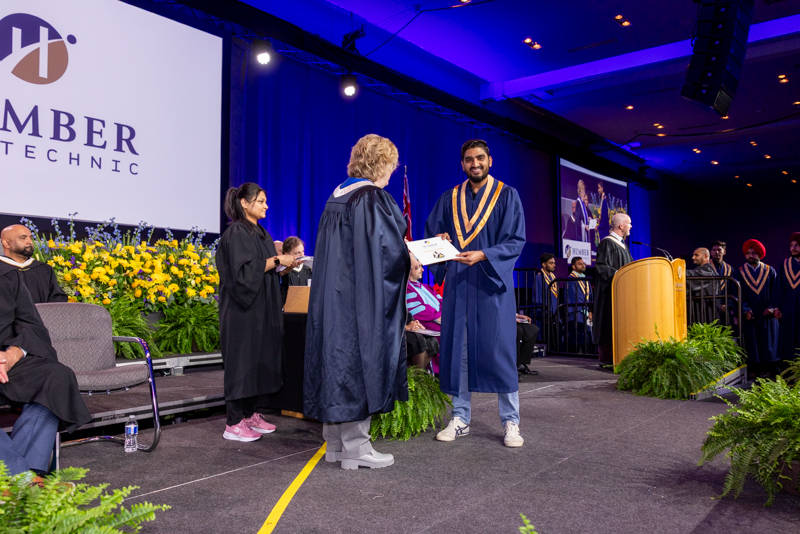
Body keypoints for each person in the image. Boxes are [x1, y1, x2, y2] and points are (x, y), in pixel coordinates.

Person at [304, 134, 409, 470]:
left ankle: (334, 444)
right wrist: (410, 259)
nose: (392, 173)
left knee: (334, 360)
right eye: (391, 166)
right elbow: (386, 253)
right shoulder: (371, 198)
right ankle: (356, 448)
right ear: (381, 164)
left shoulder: (336, 196)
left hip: (331, 298)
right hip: (357, 299)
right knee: (356, 361)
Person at [425, 139, 526, 448]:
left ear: (490, 160)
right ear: (463, 164)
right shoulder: (449, 198)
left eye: (480, 158)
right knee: (458, 351)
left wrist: (483, 255)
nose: (475, 164)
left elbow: (515, 240)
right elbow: (432, 236)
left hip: (490, 285)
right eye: (469, 160)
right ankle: (460, 417)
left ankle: (511, 421)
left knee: (501, 351)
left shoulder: (507, 196)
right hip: (458, 283)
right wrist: (439, 239)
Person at [216, 183, 298, 442]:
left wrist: (281, 267)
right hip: (242, 310)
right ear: (244, 203)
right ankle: (233, 423)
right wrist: (277, 260)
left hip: (260, 309)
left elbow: (262, 268)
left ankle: (250, 413)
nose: (266, 205)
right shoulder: (237, 232)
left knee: (257, 361)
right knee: (242, 363)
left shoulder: (259, 231)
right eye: (261, 201)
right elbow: (243, 273)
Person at [0, 262, 91, 476]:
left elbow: (31, 324)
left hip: (6, 361)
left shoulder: (7, 275)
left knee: (56, 376)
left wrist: (12, 354)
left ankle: (26, 474)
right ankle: (19, 477)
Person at [592, 213, 633, 367]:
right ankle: (608, 359)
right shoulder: (607, 243)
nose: (631, 226)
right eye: (629, 223)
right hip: (609, 294)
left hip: (622, 294)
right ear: (621, 226)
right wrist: (620, 275)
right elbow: (601, 267)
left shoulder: (623, 245)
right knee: (608, 323)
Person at [735, 239, 779, 378]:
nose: (750, 255)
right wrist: (745, 309)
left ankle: (770, 369)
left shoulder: (769, 270)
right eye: (748, 253)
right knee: (751, 341)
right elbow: (738, 293)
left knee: (768, 341)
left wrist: (771, 307)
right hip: (751, 314)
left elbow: (776, 291)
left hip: (767, 314)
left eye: (754, 253)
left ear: (760, 254)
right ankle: (754, 368)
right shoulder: (740, 272)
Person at [0, 225, 67, 304]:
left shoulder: (43, 269)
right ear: (6, 243)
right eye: (23, 237)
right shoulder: (2, 269)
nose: (30, 242)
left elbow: (57, 297)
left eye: (30, 238)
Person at [406, 252, 442, 370]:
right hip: (429, 325)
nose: (422, 270)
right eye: (419, 266)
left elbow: (443, 303)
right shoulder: (406, 288)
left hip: (440, 322)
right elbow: (418, 312)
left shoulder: (426, 287)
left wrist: (444, 316)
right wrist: (437, 317)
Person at [771, 233, 800, 366]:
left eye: (797, 245)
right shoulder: (785, 264)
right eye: (792, 245)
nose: (793, 248)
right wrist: (776, 307)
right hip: (787, 309)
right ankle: (788, 371)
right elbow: (778, 287)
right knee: (788, 338)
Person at [566, 256, 593, 352]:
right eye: (580, 264)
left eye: (583, 263)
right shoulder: (571, 279)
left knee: (586, 339)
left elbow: (589, 296)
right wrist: (584, 311)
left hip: (585, 313)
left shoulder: (585, 279)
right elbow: (574, 297)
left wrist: (590, 311)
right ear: (573, 266)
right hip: (576, 312)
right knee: (576, 340)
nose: (583, 265)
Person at [686, 248, 718, 324]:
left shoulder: (708, 270)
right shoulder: (702, 269)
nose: (693, 258)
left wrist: (678, 270)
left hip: (706, 310)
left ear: (706, 256)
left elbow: (693, 276)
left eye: (696, 255)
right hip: (700, 309)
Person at [534, 253, 558, 344]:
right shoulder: (539, 277)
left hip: (554, 313)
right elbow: (538, 298)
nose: (554, 265)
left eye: (554, 263)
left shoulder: (553, 277)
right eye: (551, 263)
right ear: (544, 265)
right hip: (545, 314)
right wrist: (545, 312)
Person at [279, 236, 312, 304]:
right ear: (287, 254)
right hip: (287, 308)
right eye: (297, 253)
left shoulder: (308, 269)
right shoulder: (281, 271)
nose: (302, 255)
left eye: (302, 251)